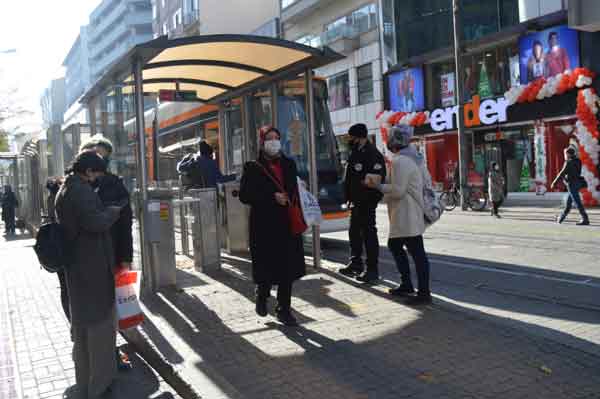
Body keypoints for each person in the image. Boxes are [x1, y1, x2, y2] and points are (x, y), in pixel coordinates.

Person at [54, 151, 122, 398]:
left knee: (82, 329)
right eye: (97, 173)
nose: (97, 178)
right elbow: (95, 223)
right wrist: (113, 212)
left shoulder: (67, 188)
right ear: (89, 170)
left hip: (78, 266)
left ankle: (85, 382)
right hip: (90, 264)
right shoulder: (80, 191)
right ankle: (99, 385)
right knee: (99, 328)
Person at [239, 127, 306, 327]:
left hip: (287, 223)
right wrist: (271, 197)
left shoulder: (289, 164)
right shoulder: (252, 167)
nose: (274, 141)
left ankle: (284, 310)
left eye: (277, 138)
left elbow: (294, 190)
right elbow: (245, 196)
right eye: (269, 138)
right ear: (262, 142)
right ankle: (262, 293)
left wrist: (300, 190)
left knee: (287, 269)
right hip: (263, 226)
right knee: (266, 266)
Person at [80, 136, 133, 370]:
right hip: (79, 260)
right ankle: (87, 350)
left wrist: (126, 258)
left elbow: (125, 224)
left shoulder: (114, 184)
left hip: (109, 255)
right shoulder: (73, 184)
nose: (100, 160)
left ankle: (110, 351)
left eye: (105, 156)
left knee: (110, 307)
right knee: (83, 308)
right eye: (95, 154)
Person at [366, 125, 432, 305]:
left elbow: (398, 191)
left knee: (415, 253)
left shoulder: (400, 161)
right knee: (402, 248)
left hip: (406, 214)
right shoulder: (413, 158)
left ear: (393, 142)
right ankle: (409, 285)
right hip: (409, 213)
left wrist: (378, 186)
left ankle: (421, 292)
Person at [339, 123, 386, 283]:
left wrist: (369, 200)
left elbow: (376, 181)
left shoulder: (373, 154)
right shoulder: (355, 152)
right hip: (355, 202)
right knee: (354, 233)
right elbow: (350, 178)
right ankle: (356, 263)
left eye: (352, 137)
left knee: (369, 235)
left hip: (366, 202)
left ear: (360, 137)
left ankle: (372, 270)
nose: (350, 140)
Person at [46, 178, 70, 321]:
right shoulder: (62, 198)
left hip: (57, 247)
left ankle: (71, 321)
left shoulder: (51, 199)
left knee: (64, 288)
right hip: (66, 246)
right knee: (69, 288)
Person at [551, 147, 590, 225]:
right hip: (578, 183)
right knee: (568, 203)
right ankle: (561, 218)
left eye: (565, 153)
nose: (565, 155)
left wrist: (554, 183)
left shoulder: (568, 162)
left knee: (577, 202)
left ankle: (585, 219)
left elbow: (562, 173)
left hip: (572, 184)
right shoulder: (578, 161)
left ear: (568, 154)